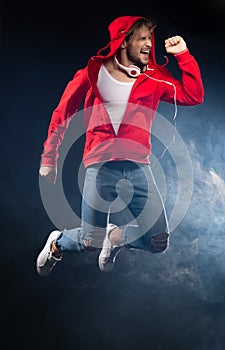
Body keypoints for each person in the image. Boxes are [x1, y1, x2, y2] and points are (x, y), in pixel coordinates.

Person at [36, 15, 204, 276]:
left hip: (139, 165)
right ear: (124, 41)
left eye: (151, 37)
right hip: (100, 164)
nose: (149, 44)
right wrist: (49, 158)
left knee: (158, 241)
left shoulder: (155, 77)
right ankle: (57, 244)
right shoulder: (91, 73)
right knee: (89, 241)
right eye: (143, 38)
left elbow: (192, 96)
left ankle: (114, 240)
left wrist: (183, 54)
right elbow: (62, 114)